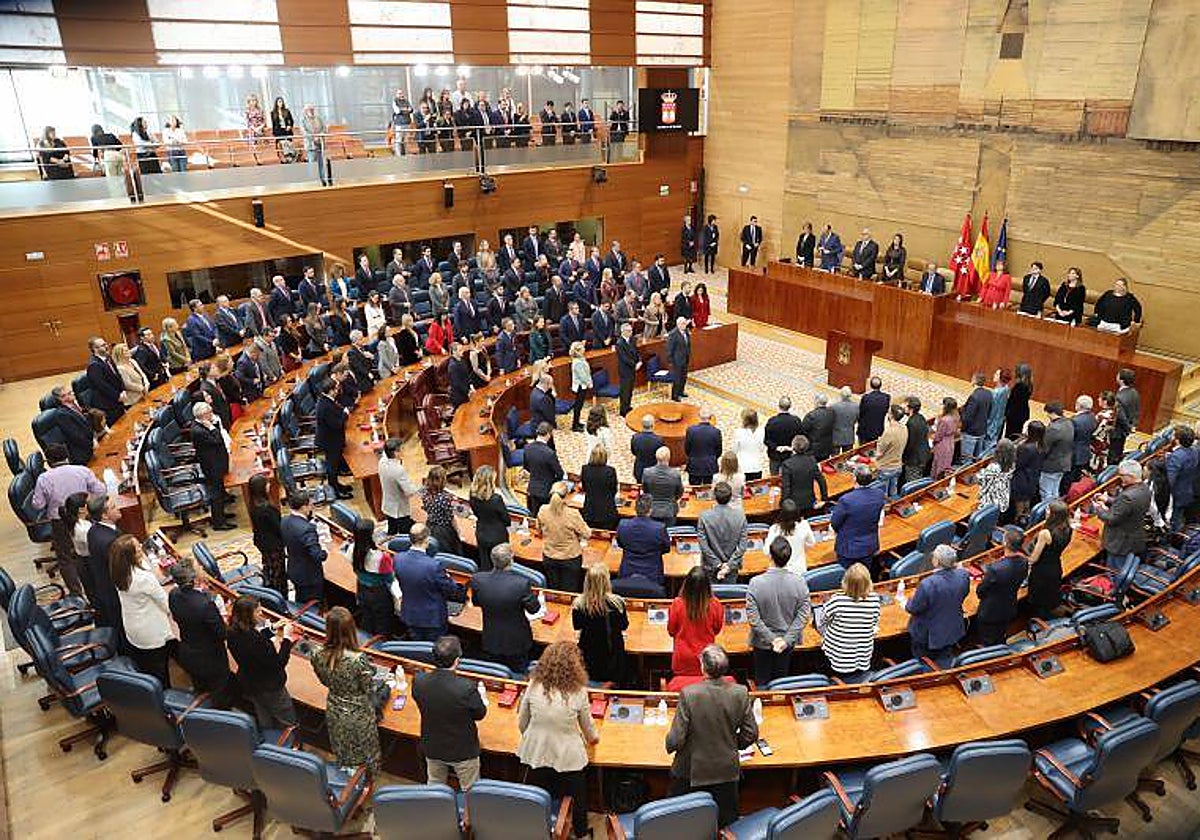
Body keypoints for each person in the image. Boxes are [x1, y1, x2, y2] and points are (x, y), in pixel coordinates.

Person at [666, 645, 758, 829]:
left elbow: (676, 740)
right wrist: (732, 744)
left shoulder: (689, 694)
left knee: (681, 820)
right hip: (726, 770)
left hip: (691, 771)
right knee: (726, 824)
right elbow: (751, 734)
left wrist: (669, 744)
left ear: (703, 667)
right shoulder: (740, 692)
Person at [516, 642, 597, 838]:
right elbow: (589, 731)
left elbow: (522, 723)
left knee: (537, 794)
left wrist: (534, 736)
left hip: (536, 752)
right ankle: (580, 833)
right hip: (568, 756)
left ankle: (538, 828)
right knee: (579, 797)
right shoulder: (578, 692)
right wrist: (594, 739)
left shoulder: (533, 685)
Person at [412, 635, 487, 790]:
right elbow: (480, 714)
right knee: (470, 789)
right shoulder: (466, 688)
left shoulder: (419, 681)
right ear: (457, 660)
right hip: (463, 750)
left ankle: (436, 811)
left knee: (434, 785)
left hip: (432, 745)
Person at [311, 607, 381, 774]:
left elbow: (323, 680)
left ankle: (348, 775)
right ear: (351, 629)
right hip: (359, 712)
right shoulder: (358, 659)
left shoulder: (316, 653)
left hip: (334, 707)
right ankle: (366, 780)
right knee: (365, 751)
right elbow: (369, 688)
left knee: (342, 746)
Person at [31, 443, 104, 598]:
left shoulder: (44, 479)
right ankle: (99, 585)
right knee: (92, 550)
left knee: (65, 558)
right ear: (67, 456)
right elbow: (100, 490)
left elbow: (38, 505)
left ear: (49, 462)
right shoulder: (82, 470)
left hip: (59, 522)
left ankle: (77, 594)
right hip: (83, 517)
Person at [110, 534, 175, 686]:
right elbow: (166, 604)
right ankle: (164, 699)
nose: (141, 547)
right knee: (160, 672)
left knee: (147, 666)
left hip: (134, 628)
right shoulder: (143, 579)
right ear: (130, 556)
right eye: (138, 547)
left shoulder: (119, 571)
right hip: (150, 632)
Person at [227, 595, 299, 728]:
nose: (261, 613)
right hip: (270, 687)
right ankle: (291, 740)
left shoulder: (232, 631)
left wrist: (272, 629)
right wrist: (287, 638)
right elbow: (279, 663)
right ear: (248, 615)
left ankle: (268, 736)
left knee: (263, 714)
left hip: (250, 682)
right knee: (287, 717)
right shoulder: (256, 641)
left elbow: (255, 639)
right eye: (258, 611)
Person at [747, 537, 811, 685]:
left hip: (762, 642)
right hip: (787, 643)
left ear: (770, 556)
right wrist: (785, 640)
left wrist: (772, 639)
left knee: (762, 682)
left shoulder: (755, 583)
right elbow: (803, 616)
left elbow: (753, 619)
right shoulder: (800, 582)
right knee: (781, 682)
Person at [470, 543, 540, 670]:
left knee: (495, 669)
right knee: (519, 670)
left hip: (491, 637)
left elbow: (476, 602)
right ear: (511, 560)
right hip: (517, 640)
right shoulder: (521, 584)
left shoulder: (477, 579)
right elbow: (534, 609)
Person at [168, 559, 230, 701]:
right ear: (195, 579)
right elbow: (222, 633)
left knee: (201, 691)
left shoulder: (173, 594)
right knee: (220, 697)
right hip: (211, 660)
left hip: (188, 653)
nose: (202, 567)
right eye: (199, 567)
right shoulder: (205, 604)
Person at [394, 523, 464, 641]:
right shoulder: (434, 566)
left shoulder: (398, 558)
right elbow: (451, 589)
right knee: (435, 648)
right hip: (433, 618)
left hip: (410, 615)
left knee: (418, 648)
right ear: (427, 540)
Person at [903, 544, 969, 667]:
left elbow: (912, 608)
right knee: (945, 655)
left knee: (923, 664)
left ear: (936, 561)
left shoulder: (927, 584)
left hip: (928, 636)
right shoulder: (963, 575)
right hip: (951, 629)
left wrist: (911, 598)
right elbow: (963, 594)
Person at [816, 563, 880, 681]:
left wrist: (826, 604)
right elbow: (874, 623)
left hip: (838, 660)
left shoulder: (836, 601)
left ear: (846, 582)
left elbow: (822, 622)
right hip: (862, 656)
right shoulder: (875, 600)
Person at [572, 564, 629, 686]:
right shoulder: (618, 603)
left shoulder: (579, 604)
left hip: (589, 652)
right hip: (612, 653)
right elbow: (624, 626)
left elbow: (577, 626)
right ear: (607, 582)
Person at [974, 527, 1029, 645]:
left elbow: (980, 591)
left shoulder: (996, 568)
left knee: (988, 640)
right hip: (1009, 607)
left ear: (1005, 543)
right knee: (1000, 634)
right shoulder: (1024, 562)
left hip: (990, 611)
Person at [668, 567, 724, 681]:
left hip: (683, 658)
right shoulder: (716, 604)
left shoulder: (677, 604)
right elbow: (717, 629)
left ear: (686, 584)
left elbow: (671, 631)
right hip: (707, 659)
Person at [831, 465, 885, 577]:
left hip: (848, 548)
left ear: (854, 479)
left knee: (847, 579)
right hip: (869, 545)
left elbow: (835, 523)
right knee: (864, 577)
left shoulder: (846, 500)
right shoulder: (879, 495)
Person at [538, 482, 592, 592]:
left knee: (553, 591)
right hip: (570, 558)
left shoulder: (543, 510)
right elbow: (587, 533)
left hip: (549, 556)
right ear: (567, 495)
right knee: (569, 593)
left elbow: (539, 531)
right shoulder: (573, 513)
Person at [1095, 460, 1151, 564]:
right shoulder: (1144, 488)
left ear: (1130, 476)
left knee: (1114, 573)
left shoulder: (1127, 496)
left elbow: (1111, 519)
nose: (1120, 477)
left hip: (1120, 543)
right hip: (1135, 537)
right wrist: (1108, 500)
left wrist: (1099, 509)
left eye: (1121, 475)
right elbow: (1129, 507)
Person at [190, 402, 234, 530]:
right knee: (216, 494)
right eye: (210, 412)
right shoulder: (198, 430)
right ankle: (218, 523)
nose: (212, 414)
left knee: (220, 491)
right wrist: (212, 427)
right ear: (203, 415)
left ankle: (221, 516)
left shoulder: (202, 425)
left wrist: (212, 425)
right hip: (212, 465)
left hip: (216, 462)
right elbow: (217, 439)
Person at [1026, 501, 1072, 619]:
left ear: (1054, 515)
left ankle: (1040, 623)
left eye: (1048, 510)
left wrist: (1026, 561)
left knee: (1039, 602)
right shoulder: (1068, 528)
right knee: (1048, 599)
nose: (1046, 512)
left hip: (1041, 572)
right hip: (1055, 567)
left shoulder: (1045, 533)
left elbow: (1034, 558)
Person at [86, 493, 124, 637]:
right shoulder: (109, 541)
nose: (118, 508)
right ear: (104, 516)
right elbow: (123, 570)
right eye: (113, 508)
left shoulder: (93, 530)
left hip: (104, 588)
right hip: (114, 593)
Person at [350, 518, 395, 636]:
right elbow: (390, 578)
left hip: (361, 588)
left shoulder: (351, 548)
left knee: (367, 617)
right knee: (383, 623)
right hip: (379, 593)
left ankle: (366, 640)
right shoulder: (381, 558)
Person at [282, 490, 328, 604]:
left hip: (294, 569)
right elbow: (317, 555)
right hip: (309, 576)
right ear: (304, 507)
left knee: (301, 599)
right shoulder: (307, 529)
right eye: (311, 505)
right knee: (313, 605)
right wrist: (325, 551)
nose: (312, 508)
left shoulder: (284, 521)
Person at [244, 474, 286, 599]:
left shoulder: (253, 504)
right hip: (273, 545)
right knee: (279, 574)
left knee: (270, 567)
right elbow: (278, 527)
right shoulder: (267, 508)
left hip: (262, 543)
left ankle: (272, 590)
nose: (269, 485)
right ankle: (280, 598)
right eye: (266, 484)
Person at [616, 495, 670, 588]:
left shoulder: (623, 525)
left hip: (627, 572)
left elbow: (620, 544)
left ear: (635, 508)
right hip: (652, 575)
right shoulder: (659, 528)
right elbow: (666, 548)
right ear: (650, 510)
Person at [468, 466, 509, 571]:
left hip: (481, 533)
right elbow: (506, 520)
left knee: (485, 564)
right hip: (498, 536)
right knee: (501, 566)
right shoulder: (496, 499)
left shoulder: (472, 495)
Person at [766, 499, 816, 576]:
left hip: (780, 572)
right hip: (800, 570)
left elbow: (766, 551)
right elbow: (811, 543)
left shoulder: (774, 529)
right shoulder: (804, 525)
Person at [781, 435, 827, 516]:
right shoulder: (812, 461)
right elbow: (821, 480)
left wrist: (783, 503)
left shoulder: (787, 464)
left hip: (793, 505)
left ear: (792, 446)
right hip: (809, 501)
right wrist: (824, 499)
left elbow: (786, 488)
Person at [524, 422, 563, 518]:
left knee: (535, 517)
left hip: (532, 489)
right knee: (548, 517)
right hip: (546, 491)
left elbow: (527, 467)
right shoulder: (550, 453)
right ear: (549, 434)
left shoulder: (527, 448)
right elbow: (559, 474)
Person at [421, 465, 461, 555]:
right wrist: (459, 533)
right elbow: (451, 518)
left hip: (430, 525)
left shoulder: (425, 493)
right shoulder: (445, 498)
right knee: (450, 552)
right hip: (444, 531)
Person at [85, 336, 127, 424]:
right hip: (107, 404)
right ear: (95, 349)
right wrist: (117, 396)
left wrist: (123, 390)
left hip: (118, 400)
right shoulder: (94, 365)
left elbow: (118, 376)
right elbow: (102, 386)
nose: (107, 346)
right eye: (103, 345)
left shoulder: (108, 358)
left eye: (105, 344)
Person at [1010, 420, 1045, 522]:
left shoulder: (1026, 448)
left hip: (1022, 479)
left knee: (1019, 502)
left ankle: (1018, 522)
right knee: (1027, 500)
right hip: (1033, 478)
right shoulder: (1042, 445)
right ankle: (1026, 518)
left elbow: (1017, 464)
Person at [977, 438, 1017, 524]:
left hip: (992, 497)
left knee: (988, 519)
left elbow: (980, 478)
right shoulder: (1012, 463)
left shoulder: (994, 466)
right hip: (1003, 494)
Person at [1166, 426, 1199, 530]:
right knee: (1178, 518)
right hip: (1188, 490)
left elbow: (1169, 480)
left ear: (1177, 440)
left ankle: (1171, 539)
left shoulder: (1176, 457)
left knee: (1172, 521)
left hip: (1176, 495)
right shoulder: (1194, 450)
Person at [1041, 402, 1074, 503]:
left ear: (1052, 413)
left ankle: (1047, 514)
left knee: (1046, 492)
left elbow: (1044, 448)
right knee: (1055, 491)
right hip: (1064, 463)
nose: (1047, 416)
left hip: (1052, 465)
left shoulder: (1053, 429)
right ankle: (1055, 510)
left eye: (1047, 413)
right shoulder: (1069, 422)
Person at [643, 446, 684, 526]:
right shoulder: (675, 474)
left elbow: (645, 491)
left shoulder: (647, 473)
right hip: (669, 511)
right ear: (669, 458)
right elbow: (679, 493)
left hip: (652, 510)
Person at [581, 444, 619, 531]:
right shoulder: (610, 471)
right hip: (607, 512)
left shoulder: (585, 469)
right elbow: (614, 490)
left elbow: (584, 488)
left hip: (589, 511)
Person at [765, 396, 804, 475]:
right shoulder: (796, 421)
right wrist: (790, 447)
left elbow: (766, 440)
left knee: (774, 477)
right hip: (790, 455)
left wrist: (776, 447)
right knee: (789, 477)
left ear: (779, 406)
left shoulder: (772, 421)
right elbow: (800, 438)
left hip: (775, 455)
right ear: (790, 407)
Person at [874, 405, 907, 498]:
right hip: (897, 465)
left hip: (886, 467)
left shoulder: (889, 432)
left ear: (891, 415)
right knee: (893, 493)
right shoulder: (904, 428)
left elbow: (879, 453)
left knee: (882, 495)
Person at [958, 373, 992, 462]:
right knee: (977, 459)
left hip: (971, 433)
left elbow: (967, 418)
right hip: (982, 430)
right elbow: (989, 412)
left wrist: (962, 428)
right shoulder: (989, 393)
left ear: (974, 381)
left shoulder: (974, 397)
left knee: (967, 460)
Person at [685, 408, 722, 485]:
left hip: (694, 465)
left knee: (693, 489)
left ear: (698, 416)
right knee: (707, 489)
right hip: (709, 465)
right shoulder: (716, 432)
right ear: (710, 418)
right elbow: (719, 451)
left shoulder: (690, 430)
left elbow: (687, 449)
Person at [1070, 395, 1099, 486]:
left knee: (1070, 478)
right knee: (1077, 477)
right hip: (1085, 452)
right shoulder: (1092, 417)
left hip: (1074, 454)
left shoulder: (1075, 421)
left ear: (1079, 405)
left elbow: (1070, 437)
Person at [730, 408, 766, 481]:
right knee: (754, 490)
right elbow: (762, 448)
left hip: (742, 467)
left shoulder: (738, 432)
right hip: (756, 466)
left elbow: (734, 450)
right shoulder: (762, 431)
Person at [903, 396, 931, 485]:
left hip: (914, 459)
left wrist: (904, 457)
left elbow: (910, 444)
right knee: (918, 478)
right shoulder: (921, 417)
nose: (904, 408)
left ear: (910, 409)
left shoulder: (911, 423)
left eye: (905, 406)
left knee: (912, 483)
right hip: (924, 454)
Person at [615, 321, 640, 416]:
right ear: (623, 331)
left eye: (631, 330)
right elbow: (624, 358)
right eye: (629, 331)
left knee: (630, 389)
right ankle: (623, 410)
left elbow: (637, 351)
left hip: (632, 369)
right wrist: (635, 365)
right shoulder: (619, 343)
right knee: (625, 391)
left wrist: (639, 360)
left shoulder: (632, 339)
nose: (631, 332)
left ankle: (628, 406)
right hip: (625, 370)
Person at [931, 397, 959, 479]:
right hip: (950, 442)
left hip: (942, 445)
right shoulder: (956, 416)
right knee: (946, 465)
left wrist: (933, 441)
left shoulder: (944, 420)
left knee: (938, 466)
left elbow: (938, 436)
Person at [300, 103, 328, 185]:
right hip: (310, 145)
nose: (311, 111)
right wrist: (313, 138)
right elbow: (304, 132)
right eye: (309, 110)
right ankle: (314, 182)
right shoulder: (303, 120)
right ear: (305, 111)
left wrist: (319, 136)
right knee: (312, 163)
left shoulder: (319, 118)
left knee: (322, 163)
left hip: (320, 143)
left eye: (312, 109)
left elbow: (324, 128)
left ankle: (323, 180)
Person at [630, 415, 664, 483]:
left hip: (639, 470)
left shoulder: (635, 438)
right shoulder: (659, 440)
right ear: (653, 425)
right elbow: (660, 455)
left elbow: (634, 452)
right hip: (653, 470)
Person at [1004, 362, 1034, 440]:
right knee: (1017, 433)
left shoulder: (1020, 386)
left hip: (1015, 415)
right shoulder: (1029, 384)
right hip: (1022, 413)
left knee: (1010, 435)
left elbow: (1014, 401)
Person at [801, 394, 835, 461]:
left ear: (817, 402)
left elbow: (803, 430)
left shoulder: (811, 415)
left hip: (813, 450)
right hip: (827, 448)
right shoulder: (832, 413)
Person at [1114, 368, 1141, 450]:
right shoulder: (1134, 392)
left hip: (1118, 432)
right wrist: (1133, 426)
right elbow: (1136, 411)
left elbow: (1121, 417)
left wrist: (1128, 428)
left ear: (1121, 380)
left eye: (1118, 375)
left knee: (1114, 453)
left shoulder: (1119, 398)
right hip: (1126, 429)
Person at [985, 368, 1012, 449]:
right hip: (999, 421)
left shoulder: (996, 393)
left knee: (987, 447)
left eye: (996, 374)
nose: (994, 375)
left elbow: (992, 412)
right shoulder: (1006, 388)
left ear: (1001, 378)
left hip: (992, 424)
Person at [666, 316, 691, 401]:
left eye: (685, 323)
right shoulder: (673, 334)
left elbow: (688, 345)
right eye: (683, 323)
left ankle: (681, 392)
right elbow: (669, 349)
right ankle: (675, 396)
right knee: (677, 378)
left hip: (685, 359)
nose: (685, 325)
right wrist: (671, 362)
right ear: (678, 324)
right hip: (676, 361)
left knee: (683, 377)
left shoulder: (686, 332)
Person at [831, 387, 859, 455]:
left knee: (834, 459)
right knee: (847, 458)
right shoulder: (856, 406)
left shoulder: (834, 406)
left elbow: (831, 420)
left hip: (836, 436)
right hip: (849, 436)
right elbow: (857, 419)